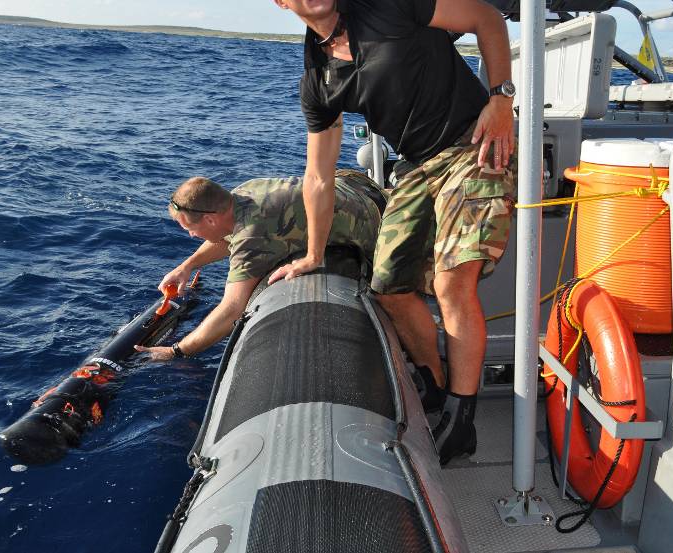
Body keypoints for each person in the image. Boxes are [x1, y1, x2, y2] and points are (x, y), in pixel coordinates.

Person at [268, 0, 518, 465]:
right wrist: (314, 254)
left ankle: (461, 423)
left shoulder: (387, 5)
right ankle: (439, 389)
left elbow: (487, 17)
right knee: (388, 289)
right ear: (282, 2)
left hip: (475, 143)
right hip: (419, 168)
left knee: (451, 283)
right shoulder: (319, 80)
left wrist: (501, 98)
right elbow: (319, 176)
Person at [135, 169, 384, 360]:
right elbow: (225, 238)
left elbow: (231, 309)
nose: (191, 235)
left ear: (210, 219)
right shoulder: (243, 194)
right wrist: (186, 266)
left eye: (190, 228)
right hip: (357, 188)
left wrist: (177, 350)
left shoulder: (252, 235)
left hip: (376, 226)